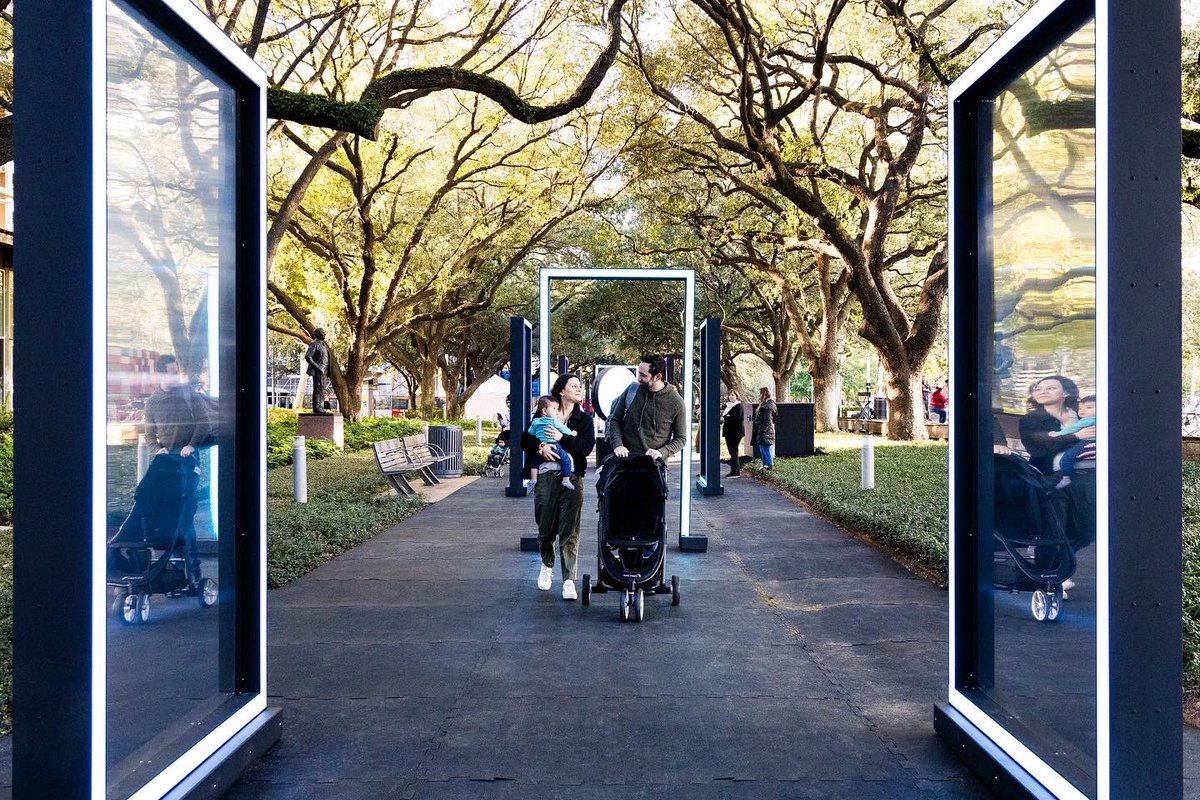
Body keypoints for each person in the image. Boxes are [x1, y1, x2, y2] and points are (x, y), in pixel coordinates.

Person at [521, 374, 595, 600]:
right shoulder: (545, 410)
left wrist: (562, 439)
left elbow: (585, 447)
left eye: (580, 386)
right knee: (545, 525)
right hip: (544, 475)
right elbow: (525, 439)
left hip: (572, 477)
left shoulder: (583, 420)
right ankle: (546, 564)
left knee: (570, 529)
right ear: (562, 390)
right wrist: (541, 446)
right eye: (574, 385)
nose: (579, 389)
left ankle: (569, 580)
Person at [144, 354, 211, 588]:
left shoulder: (188, 394)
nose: (175, 375)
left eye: (176, 370)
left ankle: (193, 570)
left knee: (185, 514)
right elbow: (150, 433)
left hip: (187, 460)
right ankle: (165, 568)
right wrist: (156, 449)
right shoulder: (153, 401)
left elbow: (204, 422)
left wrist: (191, 445)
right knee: (162, 514)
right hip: (166, 462)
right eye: (170, 371)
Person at [607, 353, 688, 466]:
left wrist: (661, 452)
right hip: (625, 462)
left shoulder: (676, 402)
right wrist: (618, 445)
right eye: (638, 373)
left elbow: (681, 438)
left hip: (654, 467)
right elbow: (614, 420)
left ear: (658, 377)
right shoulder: (631, 390)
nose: (638, 378)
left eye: (643, 375)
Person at [1018, 375, 1096, 477]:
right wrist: (1076, 436)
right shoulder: (1030, 419)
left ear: (1066, 392)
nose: (1043, 392)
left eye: (1051, 388)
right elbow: (1037, 449)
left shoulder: (1083, 412)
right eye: (1038, 389)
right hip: (1053, 472)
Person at [528, 395, 577, 489]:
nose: (557, 411)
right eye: (554, 408)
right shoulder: (553, 421)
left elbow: (531, 432)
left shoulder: (535, 421)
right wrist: (572, 433)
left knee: (534, 462)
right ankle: (566, 479)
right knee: (566, 460)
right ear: (545, 411)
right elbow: (564, 429)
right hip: (554, 445)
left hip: (542, 446)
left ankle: (533, 479)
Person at [1049, 394, 1097, 488]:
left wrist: (1057, 434)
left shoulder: (1088, 420)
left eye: (1089, 407)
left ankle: (1066, 478)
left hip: (1087, 443)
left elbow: (1072, 429)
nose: (1083, 410)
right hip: (1088, 442)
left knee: (1066, 458)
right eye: (1080, 408)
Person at [305, 328, 331, 414]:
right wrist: (318, 368)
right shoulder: (314, 344)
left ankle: (321, 406)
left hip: (324, 371)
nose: (324, 334)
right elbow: (308, 357)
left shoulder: (323, 345)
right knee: (318, 388)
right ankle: (317, 407)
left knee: (322, 389)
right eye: (323, 333)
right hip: (318, 370)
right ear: (318, 334)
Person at [721, 389, 745, 478]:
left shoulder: (738, 406)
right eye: (730, 395)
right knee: (732, 451)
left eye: (733, 395)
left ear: (737, 396)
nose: (731, 397)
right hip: (729, 432)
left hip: (735, 432)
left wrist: (725, 418)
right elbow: (726, 416)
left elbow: (735, 418)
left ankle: (735, 472)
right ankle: (734, 470)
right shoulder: (729, 406)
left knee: (733, 451)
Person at [752, 386, 777, 470]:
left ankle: (768, 466)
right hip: (763, 431)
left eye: (760, 394)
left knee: (766, 449)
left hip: (765, 432)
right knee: (763, 449)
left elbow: (767, 420)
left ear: (764, 394)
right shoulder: (766, 405)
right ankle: (765, 465)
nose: (758, 396)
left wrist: (762, 430)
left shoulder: (767, 406)